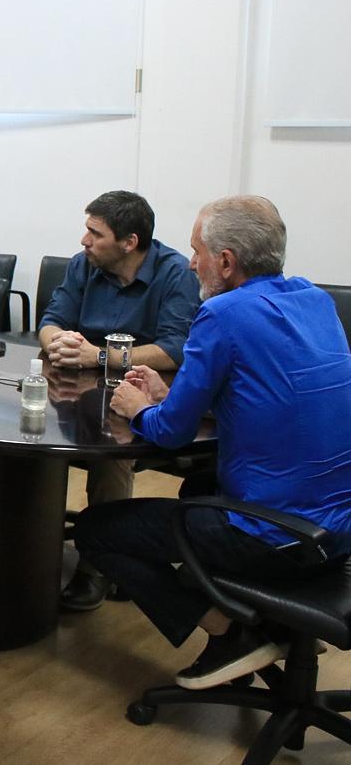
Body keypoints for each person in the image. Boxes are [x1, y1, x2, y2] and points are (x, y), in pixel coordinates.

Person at [76, 196, 351, 691]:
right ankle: (273, 623)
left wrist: (138, 408)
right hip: (337, 529)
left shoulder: (222, 314)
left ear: (225, 261)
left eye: (196, 250)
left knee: (97, 530)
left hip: (275, 536)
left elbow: (170, 434)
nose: (190, 263)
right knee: (198, 488)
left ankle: (231, 634)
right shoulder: (315, 300)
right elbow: (268, 396)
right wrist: (171, 396)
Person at [38, 190, 201, 611]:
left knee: (112, 447)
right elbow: (51, 320)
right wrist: (58, 343)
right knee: (27, 428)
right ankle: (27, 542)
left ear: (130, 242)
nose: (84, 240)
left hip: (144, 392)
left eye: (95, 233)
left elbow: (175, 350)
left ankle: (97, 566)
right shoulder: (84, 264)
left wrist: (98, 356)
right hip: (75, 385)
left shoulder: (175, 273)